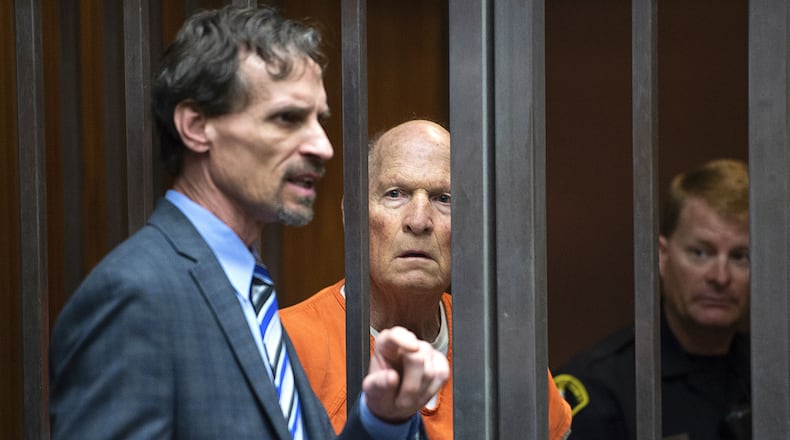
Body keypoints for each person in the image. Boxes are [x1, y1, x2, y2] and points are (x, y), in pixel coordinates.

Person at [48, 5, 448, 440]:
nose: (322, 146)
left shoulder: (246, 292)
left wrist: (381, 420)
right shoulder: (134, 295)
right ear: (197, 126)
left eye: (319, 120)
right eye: (287, 118)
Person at [280, 119, 573, 440]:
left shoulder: (507, 353)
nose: (419, 221)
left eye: (443, 198)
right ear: (352, 214)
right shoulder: (288, 344)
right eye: (395, 194)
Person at [555, 158, 751, 440]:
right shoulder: (599, 387)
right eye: (700, 253)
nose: (720, 277)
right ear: (662, 256)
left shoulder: (771, 374)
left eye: (739, 256)